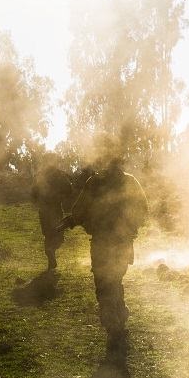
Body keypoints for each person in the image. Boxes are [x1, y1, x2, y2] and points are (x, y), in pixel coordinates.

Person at [61, 152, 148, 355]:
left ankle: (114, 323)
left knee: (105, 283)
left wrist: (72, 220)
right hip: (121, 241)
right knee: (114, 280)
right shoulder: (128, 181)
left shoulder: (95, 182)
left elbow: (80, 210)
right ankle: (118, 317)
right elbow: (143, 209)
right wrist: (130, 228)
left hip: (104, 242)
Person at [30, 155, 75, 271]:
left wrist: (39, 202)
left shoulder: (39, 175)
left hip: (43, 210)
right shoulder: (59, 175)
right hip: (55, 208)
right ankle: (52, 250)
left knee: (48, 234)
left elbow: (33, 193)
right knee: (58, 235)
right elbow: (69, 190)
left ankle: (50, 253)